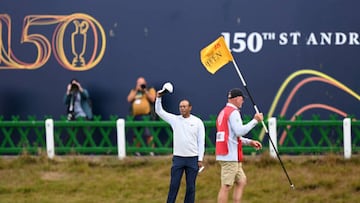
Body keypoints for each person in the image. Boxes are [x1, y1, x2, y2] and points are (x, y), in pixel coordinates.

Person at [155, 88, 205, 203]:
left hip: (192, 158)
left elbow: (201, 141)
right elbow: (159, 111)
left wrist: (200, 158)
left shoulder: (198, 122)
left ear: (190, 108)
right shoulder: (175, 120)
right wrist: (158, 98)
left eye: (184, 106)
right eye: (180, 106)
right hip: (178, 158)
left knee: (191, 187)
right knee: (174, 185)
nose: (182, 108)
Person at [216, 88, 263, 203]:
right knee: (226, 186)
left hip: (229, 154)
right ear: (237, 99)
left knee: (241, 181)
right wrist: (255, 121)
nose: (242, 102)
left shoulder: (224, 112)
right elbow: (239, 132)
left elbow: (232, 135)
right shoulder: (233, 112)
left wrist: (249, 142)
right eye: (242, 99)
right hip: (230, 155)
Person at [127, 76, 156, 155]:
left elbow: (153, 99)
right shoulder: (134, 90)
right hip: (136, 116)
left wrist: (145, 91)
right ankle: (137, 151)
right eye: (138, 83)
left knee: (148, 133)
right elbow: (129, 99)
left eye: (142, 83)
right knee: (136, 134)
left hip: (146, 116)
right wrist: (136, 90)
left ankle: (151, 151)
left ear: (145, 83)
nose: (140, 84)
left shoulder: (150, 89)